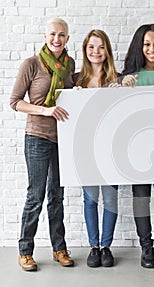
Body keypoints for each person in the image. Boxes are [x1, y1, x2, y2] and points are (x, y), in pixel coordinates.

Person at [10, 18, 75, 271]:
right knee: (35, 197)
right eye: (52, 34)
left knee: (57, 197)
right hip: (37, 137)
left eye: (61, 35)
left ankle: (59, 248)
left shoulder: (69, 65)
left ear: (67, 39)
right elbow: (15, 102)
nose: (56, 39)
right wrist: (45, 111)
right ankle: (25, 251)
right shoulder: (32, 64)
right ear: (45, 36)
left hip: (63, 139)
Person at [121, 23, 154, 268]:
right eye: (146, 44)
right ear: (139, 47)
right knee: (141, 197)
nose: (152, 49)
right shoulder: (129, 77)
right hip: (137, 148)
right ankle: (146, 248)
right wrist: (119, 88)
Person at [73, 29, 119, 268]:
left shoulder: (117, 79)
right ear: (85, 50)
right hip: (86, 151)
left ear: (107, 51)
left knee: (111, 200)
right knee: (90, 201)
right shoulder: (75, 79)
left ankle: (106, 246)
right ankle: (94, 247)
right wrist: (74, 96)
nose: (96, 52)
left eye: (101, 47)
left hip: (111, 151)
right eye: (91, 47)